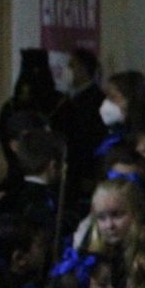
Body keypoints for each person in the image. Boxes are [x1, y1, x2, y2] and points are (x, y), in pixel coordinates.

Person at [52, 49, 109, 188]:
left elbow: (88, 138)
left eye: (72, 66)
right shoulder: (68, 98)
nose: (67, 70)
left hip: (82, 173)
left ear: (83, 69)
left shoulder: (95, 100)